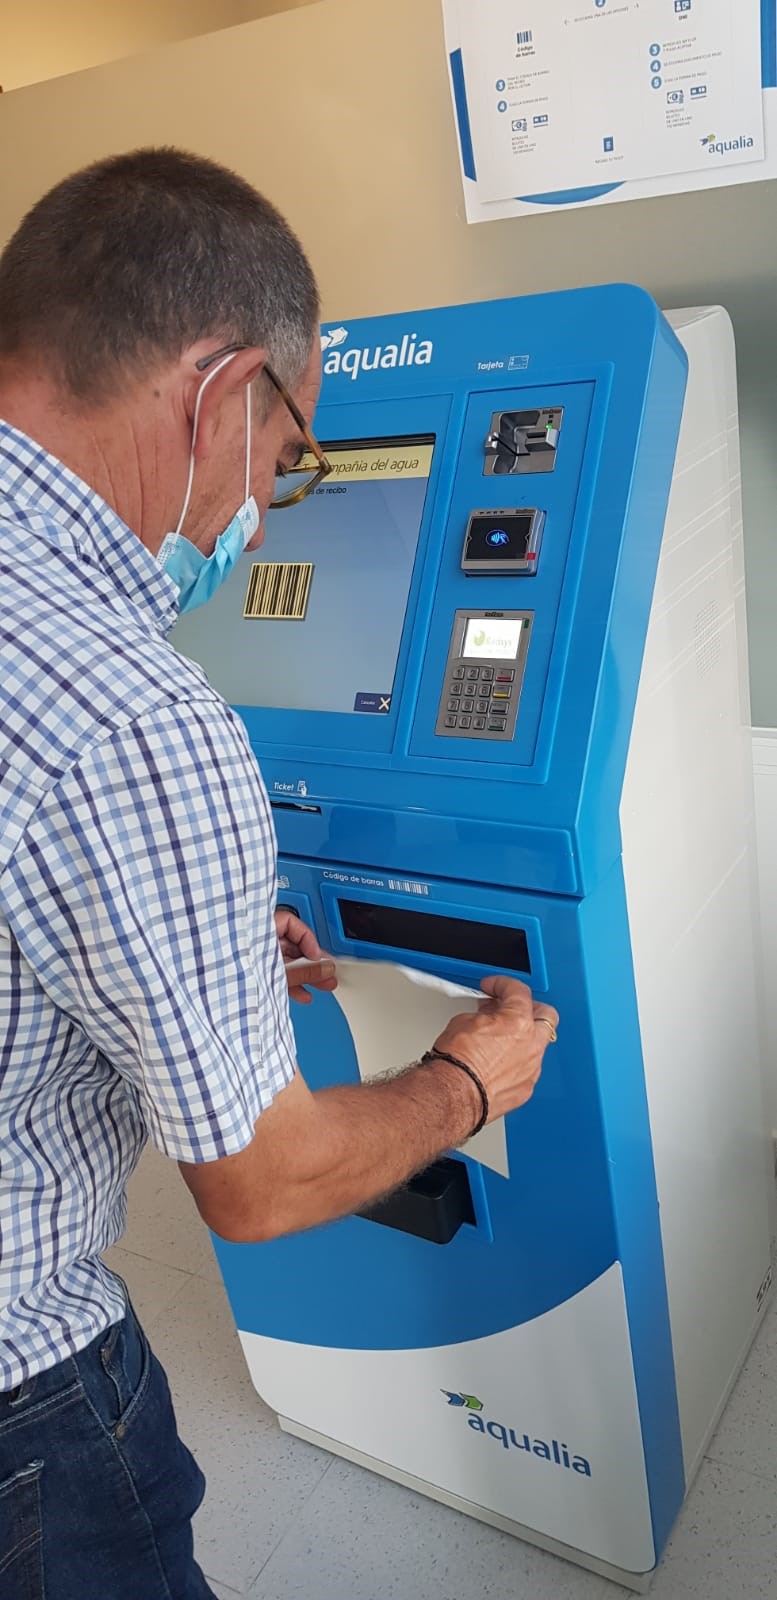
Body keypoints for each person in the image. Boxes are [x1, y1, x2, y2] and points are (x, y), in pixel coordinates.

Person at [0, 148, 559, 1599]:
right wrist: (470, 1081)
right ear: (223, 392)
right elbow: (259, 1183)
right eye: (289, 457)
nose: (264, 506)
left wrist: (168, 924)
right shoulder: (139, 720)